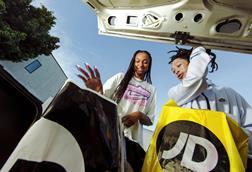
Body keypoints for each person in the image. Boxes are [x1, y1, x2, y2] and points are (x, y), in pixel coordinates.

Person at [168, 46, 252, 171]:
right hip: (195, 164)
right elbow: (195, 79)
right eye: (173, 71)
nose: (176, 72)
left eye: (179, 66)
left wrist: (232, 131)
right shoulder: (175, 95)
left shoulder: (228, 92)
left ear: (193, 63)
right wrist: (198, 51)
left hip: (233, 163)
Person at [76, 50, 157, 148]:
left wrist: (138, 115)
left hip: (131, 142)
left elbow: (150, 121)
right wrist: (98, 91)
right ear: (133, 62)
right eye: (137, 61)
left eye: (145, 62)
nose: (140, 64)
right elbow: (102, 101)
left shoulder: (151, 90)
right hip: (108, 133)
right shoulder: (120, 77)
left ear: (149, 65)